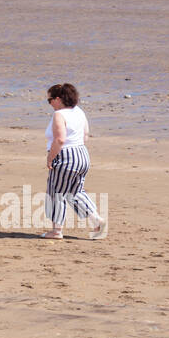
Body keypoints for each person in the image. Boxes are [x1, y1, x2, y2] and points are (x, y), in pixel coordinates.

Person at [41, 82, 106, 239]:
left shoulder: (59, 115)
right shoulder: (79, 112)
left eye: (49, 100)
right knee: (75, 191)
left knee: (56, 192)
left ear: (58, 99)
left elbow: (60, 139)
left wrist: (50, 158)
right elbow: (85, 135)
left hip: (65, 156)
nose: (49, 104)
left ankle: (56, 230)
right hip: (82, 154)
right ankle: (96, 220)